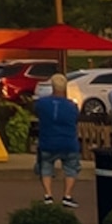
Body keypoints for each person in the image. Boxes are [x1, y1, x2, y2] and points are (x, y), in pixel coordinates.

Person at [30, 74, 83, 206]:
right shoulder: (72, 106)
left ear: (52, 87)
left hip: (48, 141)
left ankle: (48, 195)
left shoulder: (42, 103)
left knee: (46, 168)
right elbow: (76, 118)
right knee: (71, 168)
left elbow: (36, 111)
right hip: (68, 142)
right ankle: (67, 195)